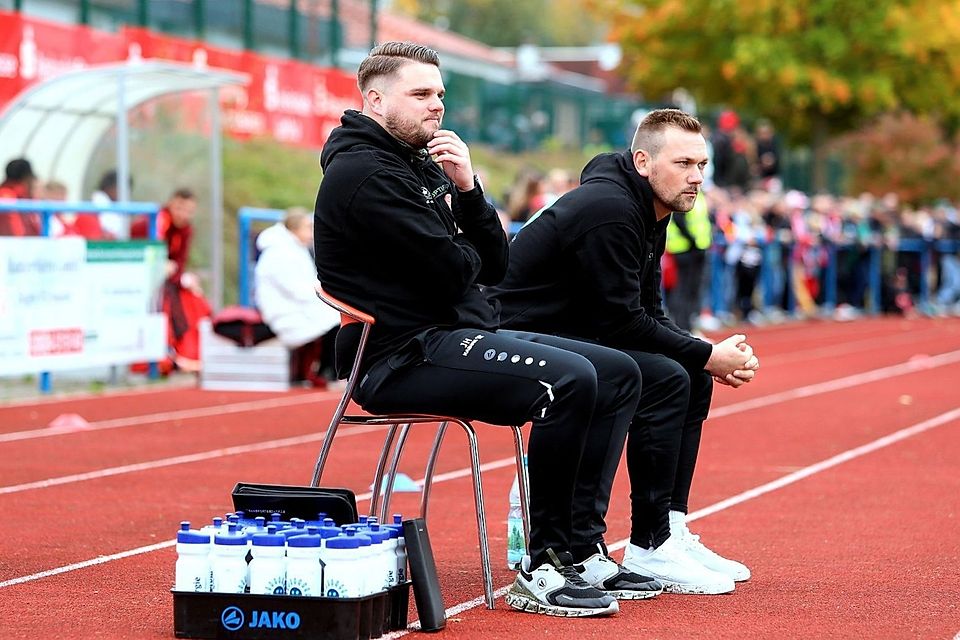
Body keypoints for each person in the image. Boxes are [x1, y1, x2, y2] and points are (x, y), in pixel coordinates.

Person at [314, 42, 661, 617]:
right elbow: (456, 271)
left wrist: (470, 189)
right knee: (569, 380)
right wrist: (461, 253)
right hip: (399, 356)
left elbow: (496, 264)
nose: (436, 108)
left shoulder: (423, 164)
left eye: (440, 96)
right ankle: (543, 564)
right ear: (374, 99)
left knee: (620, 372)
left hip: (448, 333)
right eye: (421, 95)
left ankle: (581, 546)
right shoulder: (362, 175)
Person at [487, 109, 760, 595]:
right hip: (511, 333)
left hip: (570, 329)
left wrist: (703, 356)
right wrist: (706, 354)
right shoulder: (610, 209)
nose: (696, 176)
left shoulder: (652, 209)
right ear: (642, 162)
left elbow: (648, 308)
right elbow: (620, 321)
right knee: (666, 377)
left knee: (687, 374)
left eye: (702, 164)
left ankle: (666, 531)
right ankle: (639, 544)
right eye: (683, 163)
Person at [254, 207, 340, 387]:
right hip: (284, 310)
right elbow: (295, 290)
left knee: (335, 315)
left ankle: (323, 370)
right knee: (333, 318)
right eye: (307, 228)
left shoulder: (293, 249)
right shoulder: (278, 252)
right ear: (294, 229)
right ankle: (325, 371)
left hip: (297, 305)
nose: (311, 233)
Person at [132, 188, 211, 373]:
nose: (184, 214)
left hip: (168, 281)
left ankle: (189, 354)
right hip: (144, 280)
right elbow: (146, 253)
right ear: (171, 203)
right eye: (179, 208)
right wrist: (162, 266)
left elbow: (179, 264)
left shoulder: (186, 229)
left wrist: (183, 278)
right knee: (169, 304)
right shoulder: (154, 222)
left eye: (189, 211)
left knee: (197, 301)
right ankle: (166, 356)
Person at [0, 158, 41, 236]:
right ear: (27, 178)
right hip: (13, 245)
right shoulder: (7, 196)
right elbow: (15, 230)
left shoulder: (23, 197)